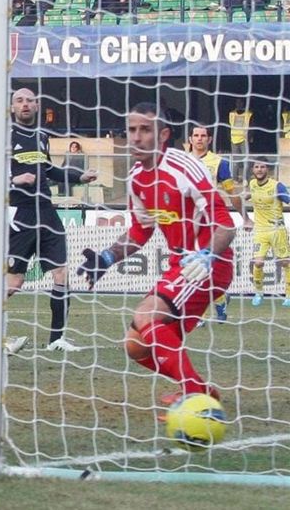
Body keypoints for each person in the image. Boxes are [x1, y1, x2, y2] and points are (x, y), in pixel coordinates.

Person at [78, 103, 235, 406]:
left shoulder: (183, 167)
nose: (136, 137)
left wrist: (206, 256)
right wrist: (107, 258)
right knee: (136, 347)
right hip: (180, 265)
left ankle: (196, 396)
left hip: (208, 264)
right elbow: (140, 231)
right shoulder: (137, 176)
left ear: (163, 134)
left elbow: (226, 225)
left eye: (145, 130)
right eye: (132, 130)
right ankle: (200, 388)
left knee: (146, 314)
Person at [3, 88, 97, 353]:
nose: (25, 105)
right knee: (15, 281)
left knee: (61, 273)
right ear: (12, 107)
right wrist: (14, 181)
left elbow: (49, 169)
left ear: (37, 106)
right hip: (20, 212)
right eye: (19, 101)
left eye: (29, 101)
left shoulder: (42, 136)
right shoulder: (4, 136)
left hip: (46, 210)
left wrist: (79, 177)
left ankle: (56, 339)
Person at [187, 123, 251, 320]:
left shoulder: (220, 163)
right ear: (190, 139)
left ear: (209, 140)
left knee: (204, 266)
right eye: (196, 135)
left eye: (203, 135)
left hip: (212, 220)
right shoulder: (181, 161)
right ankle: (219, 300)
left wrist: (246, 218)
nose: (199, 138)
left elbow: (232, 194)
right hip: (188, 220)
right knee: (191, 266)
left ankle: (203, 312)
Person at [242, 158, 290, 308]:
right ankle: (259, 292)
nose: (259, 169)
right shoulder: (252, 184)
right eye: (257, 167)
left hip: (277, 230)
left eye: (262, 167)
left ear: (267, 170)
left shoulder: (277, 186)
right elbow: (244, 197)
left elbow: (288, 199)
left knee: (285, 262)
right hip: (260, 231)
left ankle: (288, 294)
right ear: (253, 170)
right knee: (258, 262)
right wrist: (245, 218)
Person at [228, 100, 251, 181]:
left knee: (246, 160)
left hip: (244, 139)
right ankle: (235, 179)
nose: (239, 104)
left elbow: (251, 126)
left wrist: (250, 137)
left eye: (241, 102)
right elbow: (229, 126)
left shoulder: (248, 114)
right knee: (235, 161)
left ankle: (246, 179)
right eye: (237, 102)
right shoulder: (231, 114)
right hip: (234, 139)